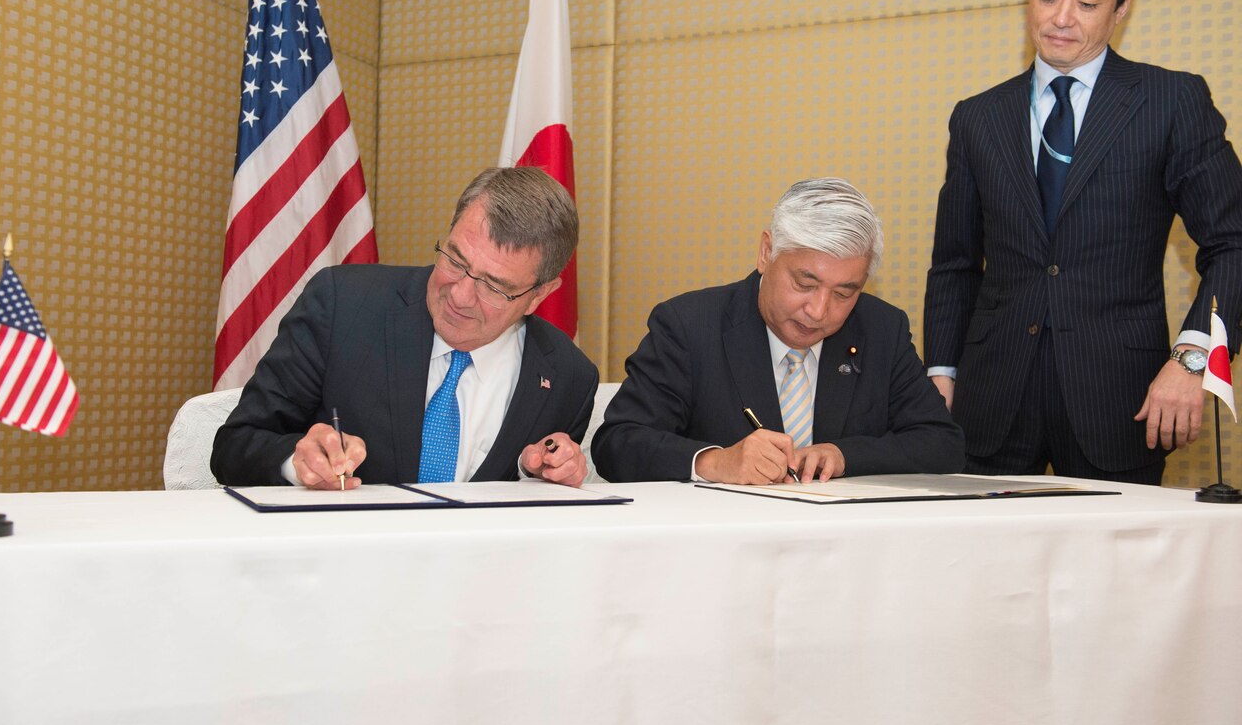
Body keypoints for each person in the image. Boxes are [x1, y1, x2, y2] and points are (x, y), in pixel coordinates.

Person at [924, 0, 1242, 485]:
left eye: (1087, 3)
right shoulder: (978, 117)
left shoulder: (1172, 102)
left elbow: (1234, 243)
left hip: (1120, 397)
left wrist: (1191, 358)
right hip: (991, 400)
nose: (1061, 18)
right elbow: (954, 263)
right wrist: (940, 372)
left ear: (1121, 9)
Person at [210, 166, 599, 489]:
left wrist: (539, 473)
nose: (461, 296)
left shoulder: (568, 378)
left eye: (495, 287)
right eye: (455, 260)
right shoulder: (342, 306)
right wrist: (297, 463)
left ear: (539, 295)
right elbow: (235, 447)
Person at [592, 178, 963, 484]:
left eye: (843, 293)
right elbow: (617, 445)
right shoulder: (688, 325)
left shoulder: (882, 329)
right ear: (766, 252)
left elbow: (942, 444)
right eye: (804, 284)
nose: (818, 311)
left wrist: (843, 455)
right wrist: (713, 462)